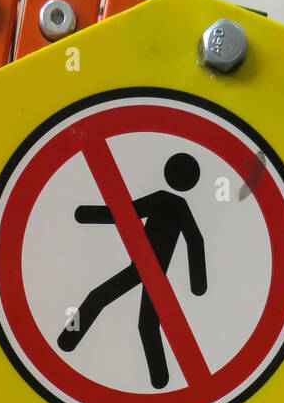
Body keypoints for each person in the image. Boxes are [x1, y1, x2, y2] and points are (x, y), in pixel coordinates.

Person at [57, 152, 207, 389]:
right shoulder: (177, 204)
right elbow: (195, 241)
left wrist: (86, 214)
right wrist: (198, 284)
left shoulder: (166, 200)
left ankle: (68, 340)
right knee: (145, 322)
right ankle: (160, 380)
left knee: (103, 300)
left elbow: (125, 213)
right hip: (148, 271)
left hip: (147, 270)